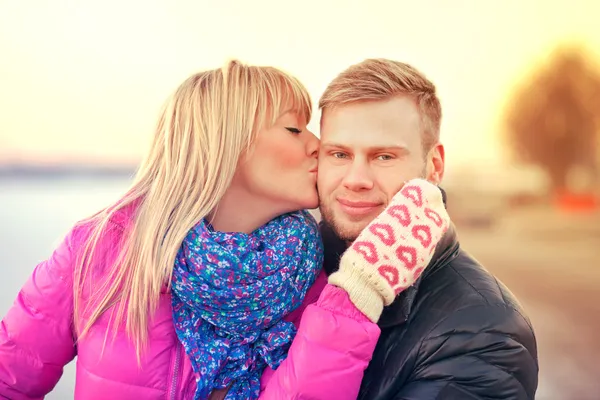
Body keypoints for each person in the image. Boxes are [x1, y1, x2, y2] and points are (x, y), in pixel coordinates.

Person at [0, 60, 451, 400]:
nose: (318, 144)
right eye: (295, 128)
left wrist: (357, 292)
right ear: (228, 145)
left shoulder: (313, 276)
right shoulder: (101, 250)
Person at [317, 58, 539, 399]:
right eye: (339, 154)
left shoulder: (483, 331)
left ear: (434, 166)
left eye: (384, 157)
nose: (356, 179)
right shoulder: (284, 276)